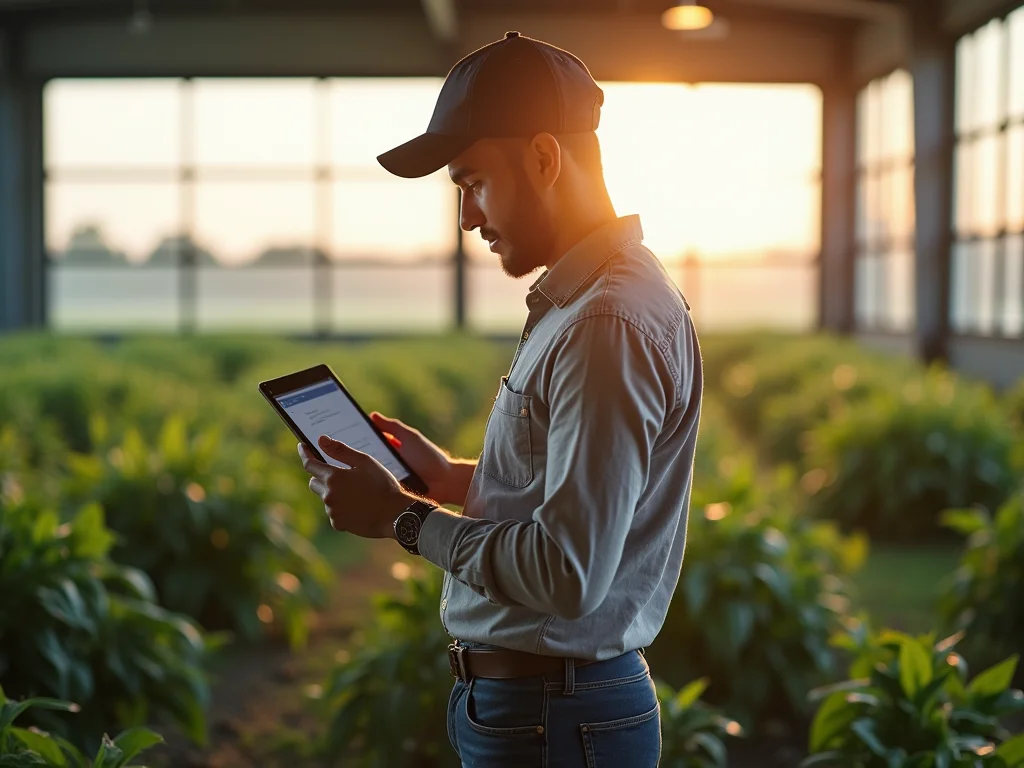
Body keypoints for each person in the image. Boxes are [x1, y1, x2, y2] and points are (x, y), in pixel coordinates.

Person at [298, 30, 703, 768]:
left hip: (556, 717)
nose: (466, 217)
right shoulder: (582, 303)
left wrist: (402, 518)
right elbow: (564, 494)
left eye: (472, 182)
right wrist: (453, 478)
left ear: (545, 159)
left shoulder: (604, 321)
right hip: (544, 711)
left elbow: (567, 572)